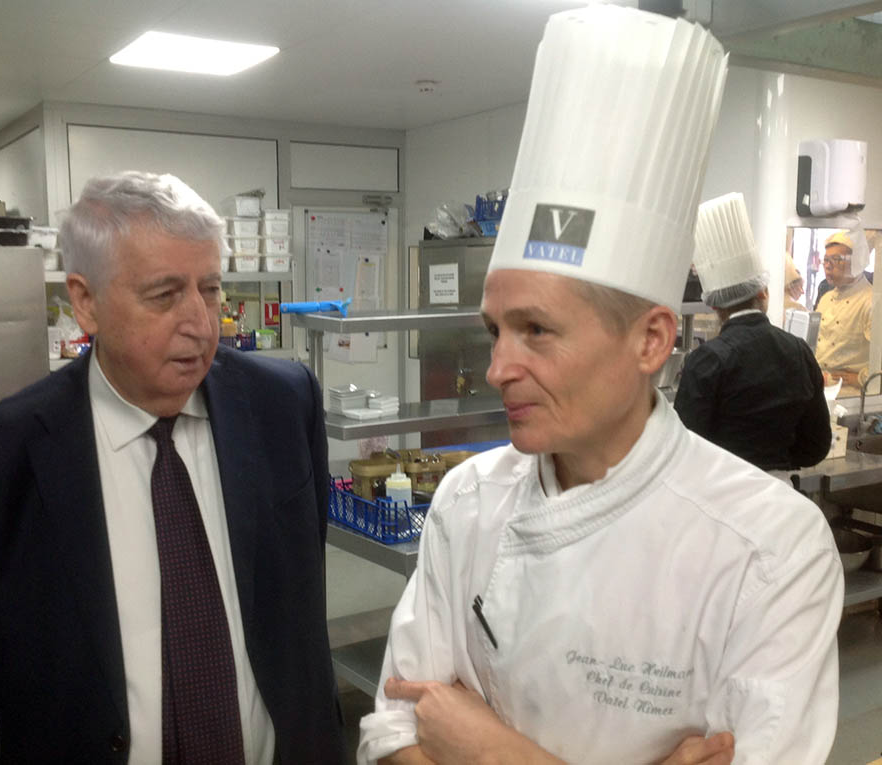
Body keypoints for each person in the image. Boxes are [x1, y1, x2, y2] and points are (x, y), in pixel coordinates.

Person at [359, 7, 842, 765]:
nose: (498, 367)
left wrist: (484, 744)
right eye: (495, 330)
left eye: (537, 330)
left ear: (651, 340)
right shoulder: (469, 500)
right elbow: (392, 733)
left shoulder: (771, 549)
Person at [0, 171, 346, 763]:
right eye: (164, 294)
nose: (201, 323)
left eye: (211, 289)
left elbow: (298, 591)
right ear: (85, 302)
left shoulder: (283, 405)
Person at [673, 193, 831, 471]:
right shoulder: (799, 351)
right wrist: (773, 466)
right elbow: (816, 446)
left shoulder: (707, 360)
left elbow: (683, 451)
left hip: (719, 490)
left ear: (714, 306)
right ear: (763, 292)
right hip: (780, 490)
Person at [814, 229, 873, 391]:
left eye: (836, 259)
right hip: (821, 389)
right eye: (826, 260)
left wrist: (861, 378)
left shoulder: (870, 301)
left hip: (851, 395)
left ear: (857, 262)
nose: (828, 266)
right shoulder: (826, 299)